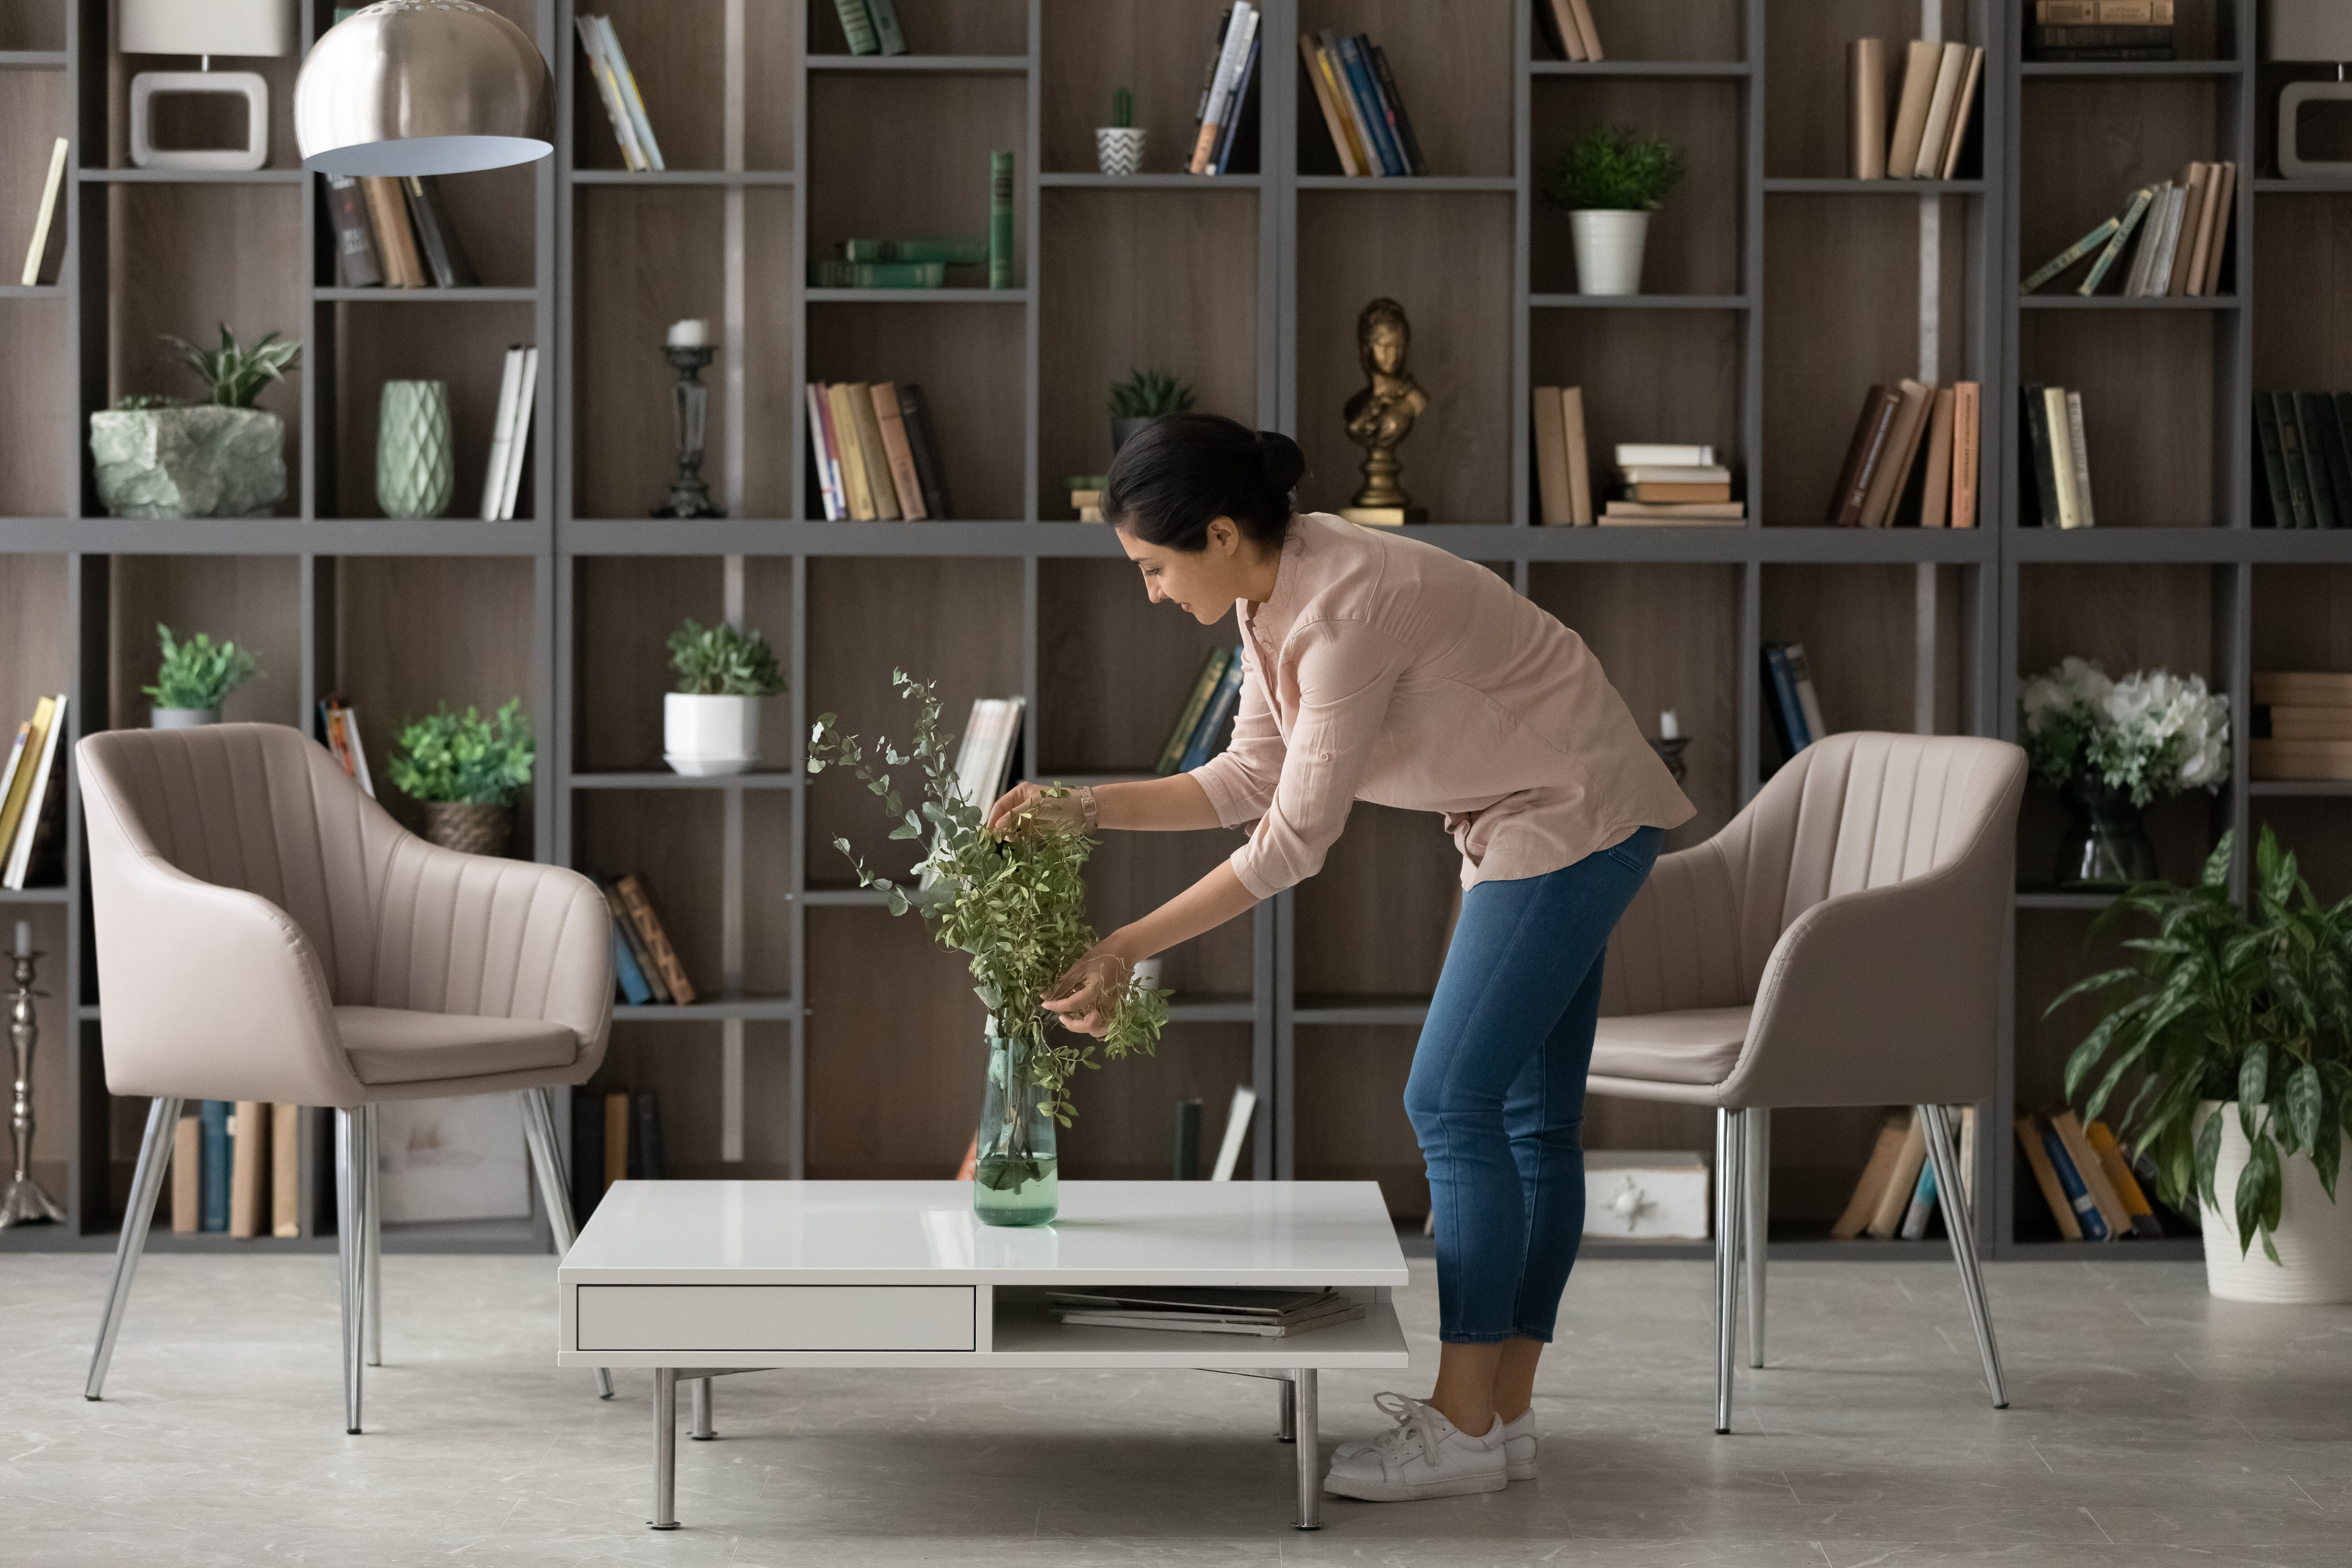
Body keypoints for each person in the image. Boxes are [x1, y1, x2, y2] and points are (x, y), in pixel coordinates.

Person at [985, 413, 1693, 1503]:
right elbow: (1245, 780)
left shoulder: (1345, 607)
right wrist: (1082, 808)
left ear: (1221, 534)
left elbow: (1291, 843)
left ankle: (1461, 1426)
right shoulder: (1269, 594)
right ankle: (1499, 1418)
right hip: (1538, 812)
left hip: (1567, 814)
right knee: (1525, 1119)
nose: (1152, 591)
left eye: (1153, 566)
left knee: (1450, 1100)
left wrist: (1125, 945)